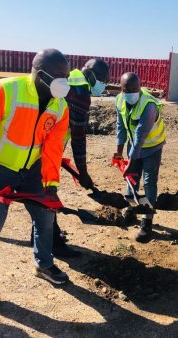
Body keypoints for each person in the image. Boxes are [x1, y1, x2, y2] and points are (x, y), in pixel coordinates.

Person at [0, 49, 71, 315]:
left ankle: (43, 264)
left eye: (66, 76)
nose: (63, 81)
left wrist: (51, 183)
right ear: (38, 72)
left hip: (33, 172)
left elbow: (54, 147)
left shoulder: (60, 105)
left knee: (45, 218)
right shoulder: (7, 90)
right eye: (58, 75)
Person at [32, 58, 110, 258]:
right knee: (48, 195)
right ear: (90, 72)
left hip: (39, 144)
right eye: (102, 79)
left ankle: (40, 236)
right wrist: (83, 173)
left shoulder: (69, 79)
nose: (103, 84)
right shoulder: (80, 92)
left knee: (39, 194)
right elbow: (78, 137)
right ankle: (53, 242)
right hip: (43, 150)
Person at [113, 72, 166, 243]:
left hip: (152, 147)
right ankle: (131, 208)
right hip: (133, 144)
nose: (131, 92)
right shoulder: (120, 100)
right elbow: (121, 126)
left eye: (135, 89)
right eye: (127, 89)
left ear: (140, 87)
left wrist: (131, 161)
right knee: (132, 178)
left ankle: (147, 220)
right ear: (121, 89)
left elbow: (140, 136)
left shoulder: (148, 106)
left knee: (149, 182)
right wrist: (119, 152)